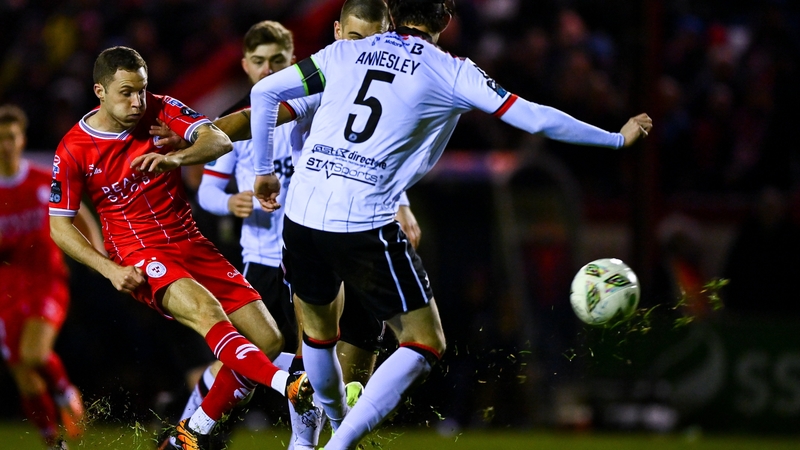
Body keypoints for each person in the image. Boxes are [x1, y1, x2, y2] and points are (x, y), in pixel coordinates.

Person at [248, 0, 653, 448]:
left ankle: (307, 442)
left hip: (302, 210)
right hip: (361, 216)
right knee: (425, 342)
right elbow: (535, 117)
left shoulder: (341, 52)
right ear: (446, 19)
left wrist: (264, 169)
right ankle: (340, 443)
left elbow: (264, 93)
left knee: (318, 339)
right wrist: (615, 138)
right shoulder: (452, 71)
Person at [157, 4, 415, 448]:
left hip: (316, 252)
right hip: (262, 262)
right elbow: (207, 193)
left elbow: (370, 155)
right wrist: (230, 200)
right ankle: (188, 431)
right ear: (245, 65)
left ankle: (297, 443)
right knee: (245, 361)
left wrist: (402, 202)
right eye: (259, 61)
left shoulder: (323, 104)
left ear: (294, 60)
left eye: (278, 61)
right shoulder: (238, 129)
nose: (268, 69)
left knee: (312, 359)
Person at [46, 46, 314, 450]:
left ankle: (191, 432)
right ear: (99, 91)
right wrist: (109, 269)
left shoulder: (161, 108)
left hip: (190, 242)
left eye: (142, 89)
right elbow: (59, 227)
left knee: (270, 339)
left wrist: (178, 159)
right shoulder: (73, 149)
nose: (137, 101)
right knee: (208, 314)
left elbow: (219, 140)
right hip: (139, 254)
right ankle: (288, 382)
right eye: (126, 93)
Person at [0, 104, 103, 450]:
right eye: (0, 139)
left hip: (47, 281)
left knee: (32, 354)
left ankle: (63, 389)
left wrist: (98, 256)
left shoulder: (43, 180)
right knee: (22, 374)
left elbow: (80, 214)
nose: (5, 145)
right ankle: (52, 441)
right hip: (6, 290)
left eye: (11, 137)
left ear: (22, 139)